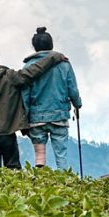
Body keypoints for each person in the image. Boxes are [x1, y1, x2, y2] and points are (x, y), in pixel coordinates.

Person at [21, 26, 82, 169]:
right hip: (59, 115)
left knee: (40, 157)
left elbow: (24, 95)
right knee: (61, 156)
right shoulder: (63, 64)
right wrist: (77, 104)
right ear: (51, 44)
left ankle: (40, 184)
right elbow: (72, 88)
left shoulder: (28, 66)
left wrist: (25, 116)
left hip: (36, 117)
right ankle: (64, 184)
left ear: (35, 47)